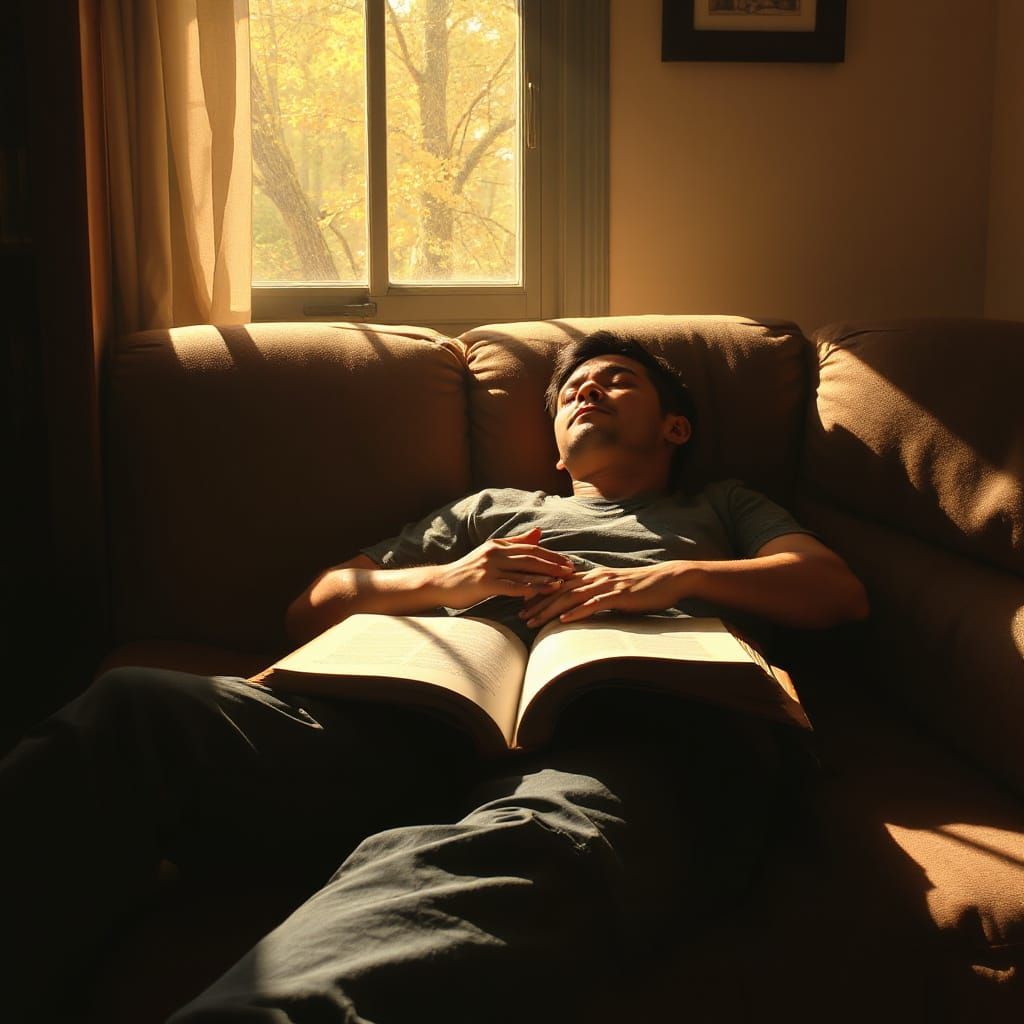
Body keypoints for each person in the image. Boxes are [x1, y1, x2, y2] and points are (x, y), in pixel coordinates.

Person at [1, 331, 868, 1024]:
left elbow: (833, 590)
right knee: (135, 710)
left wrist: (671, 579)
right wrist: (454, 580)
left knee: (524, 844)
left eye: (613, 382)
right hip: (427, 722)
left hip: (640, 724)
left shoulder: (721, 505)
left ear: (674, 427)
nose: (583, 393)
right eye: (570, 390)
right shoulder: (493, 511)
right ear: (557, 449)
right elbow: (318, 604)